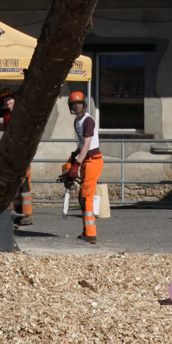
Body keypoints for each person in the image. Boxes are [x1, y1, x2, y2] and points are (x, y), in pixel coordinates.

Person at [67, 89, 103, 244]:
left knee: (86, 196)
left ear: (84, 104)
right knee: (83, 197)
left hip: (92, 161)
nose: (77, 106)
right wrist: (75, 154)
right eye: (74, 104)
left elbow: (87, 145)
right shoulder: (77, 122)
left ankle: (90, 234)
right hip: (86, 160)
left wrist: (77, 163)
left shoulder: (88, 121)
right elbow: (82, 143)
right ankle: (86, 231)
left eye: (79, 103)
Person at [0, 86, 32, 225]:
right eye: (5, 100)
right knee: (14, 186)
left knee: (25, 186)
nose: (7, 102)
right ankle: (17, 215)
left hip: (23, 153)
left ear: (15, 100)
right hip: (12, 155)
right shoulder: (6, 117)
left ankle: (27, 214)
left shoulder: (22, 113)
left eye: (9, 99)